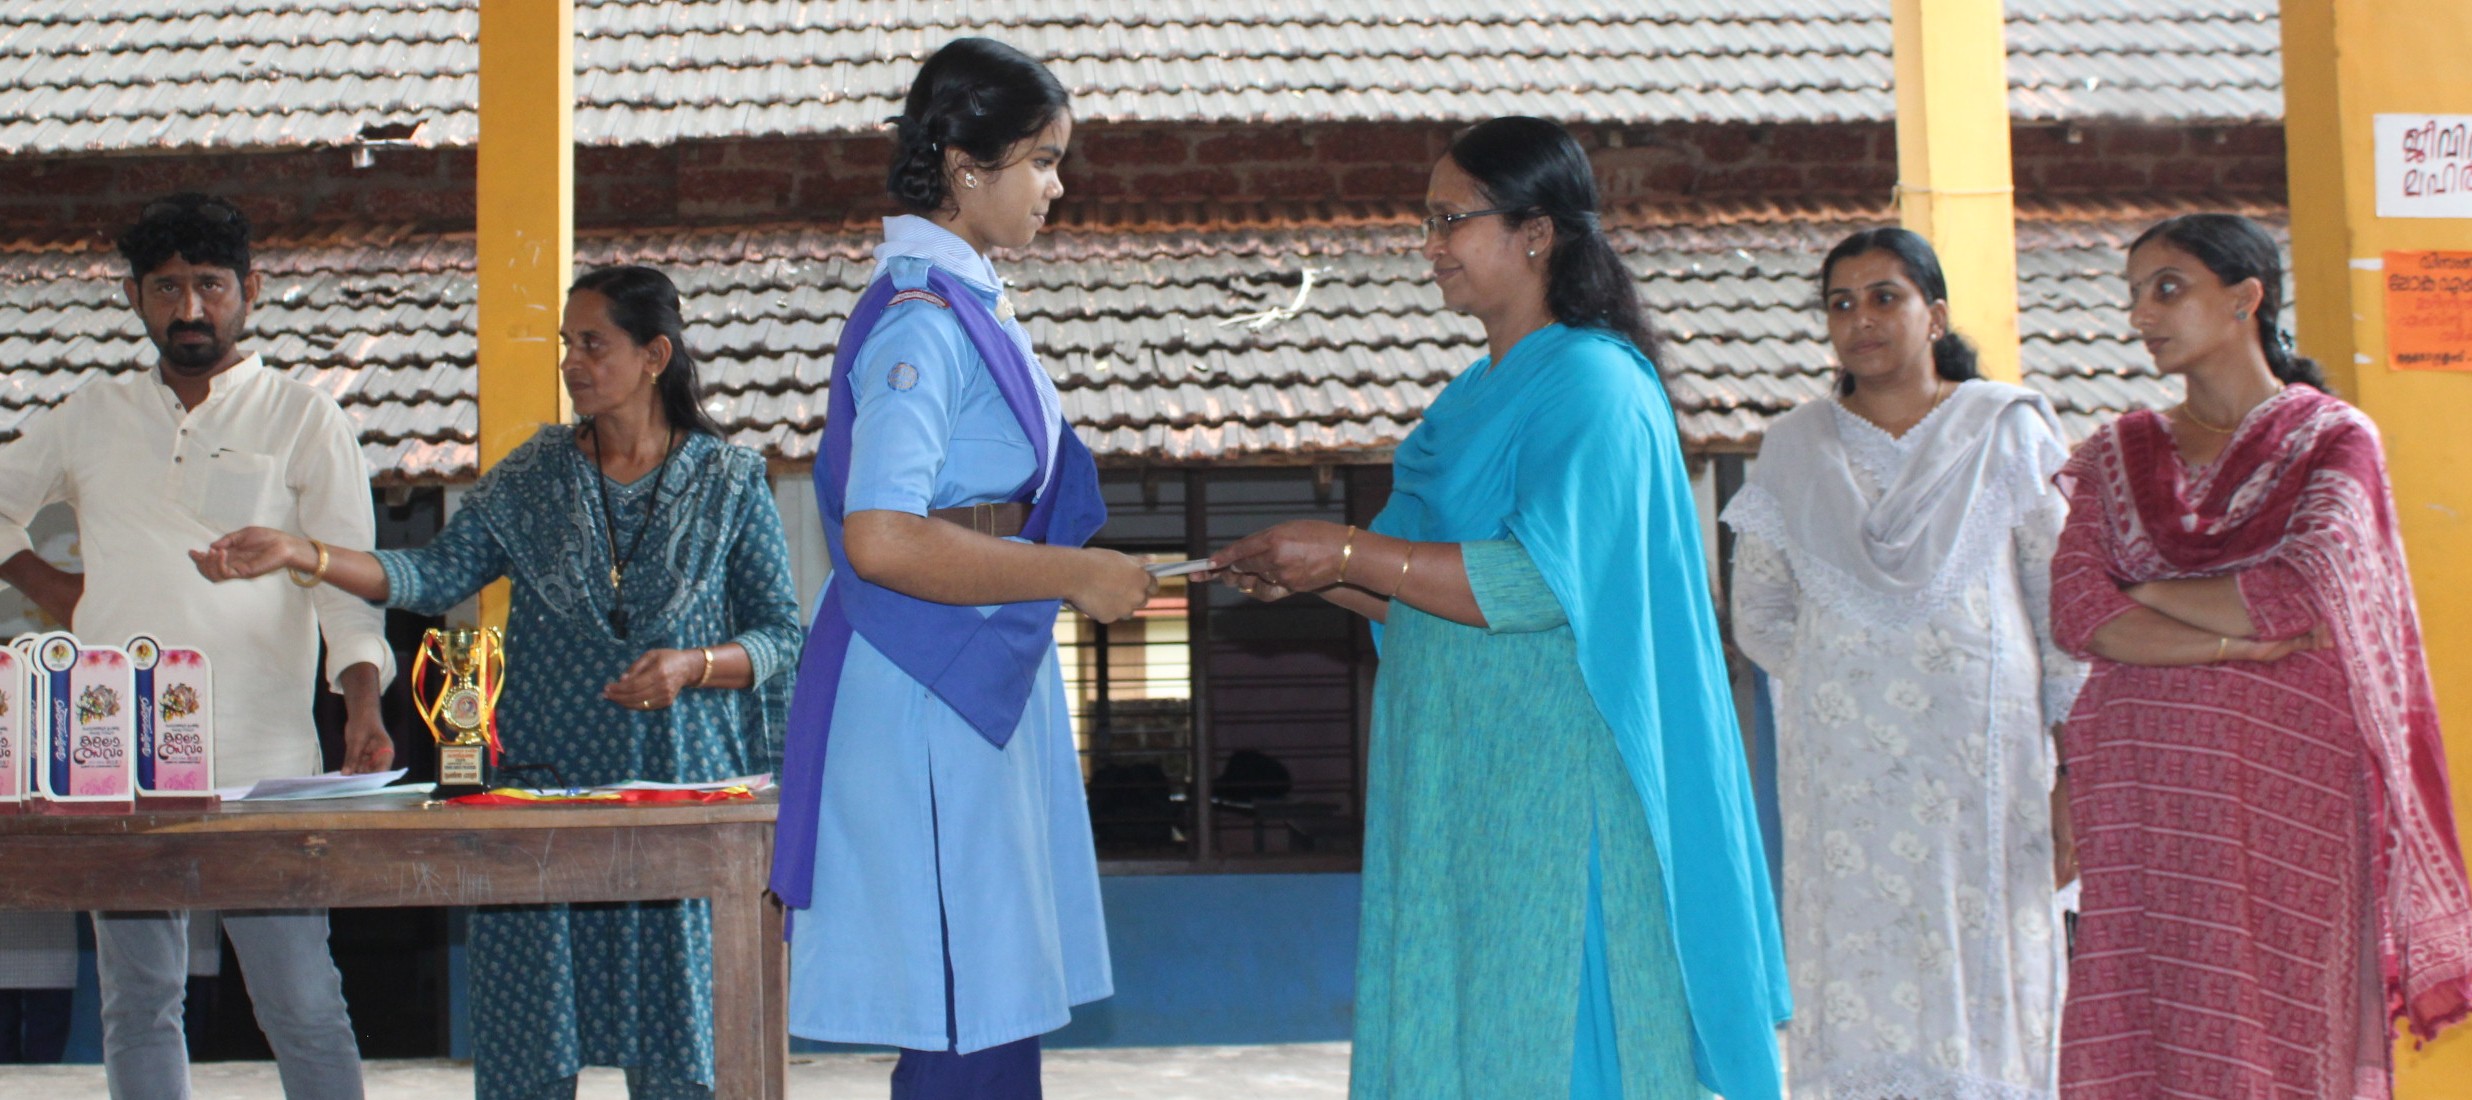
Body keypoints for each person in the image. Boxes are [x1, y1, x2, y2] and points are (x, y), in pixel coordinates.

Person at [1211, 116, 1788, 1099]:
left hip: (1558, 791)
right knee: (1470, 1038)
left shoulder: (1596, 384)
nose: (1430, 246)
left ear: (1535, 232)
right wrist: (1305, 571)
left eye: (1451, 220)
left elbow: (1532, 582)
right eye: (1427, 222)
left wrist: (1344, 550)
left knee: (1558, 1045)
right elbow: (1402, 576)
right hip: (1458, 784)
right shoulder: (1467, 400)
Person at [194, 264, 803, 1098]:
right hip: (543, 809)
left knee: (683, 1060)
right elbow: (432, 575)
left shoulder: (730, 483)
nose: (572, 362)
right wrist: (306, 552)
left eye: (594, 344)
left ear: (655, 355)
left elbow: (779, 635)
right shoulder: (533, 477)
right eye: (566, 344)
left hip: (677, 811)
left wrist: (693, 666)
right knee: (527, 1057)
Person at [767, 38, 1153, 1099]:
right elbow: (882, 536)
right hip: (928, 669)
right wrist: (1070, 573)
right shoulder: (922, 323)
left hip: (976, 651)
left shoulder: (967, 303)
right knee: (965, 995)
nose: (1056, 186)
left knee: (994, 989)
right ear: (964, 165)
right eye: (1042, 160)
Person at [2048, 212, 2472, 1097]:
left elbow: (2300, 592)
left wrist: (2141, 586)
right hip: (2143, 784)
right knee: (2149, 1009)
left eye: (2167, 289)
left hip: (2288, 787)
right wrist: (2233, 642)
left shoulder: (2334, 441)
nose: (2142, 315)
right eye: (2135, 295)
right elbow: (2080, 610)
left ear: (2246, 298)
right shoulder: (2116, 452)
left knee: (2281, 1017)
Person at [0, 192, 390, 1097]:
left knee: (301, 1000)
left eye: (209, 285)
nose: (189, 308)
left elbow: (348, 586)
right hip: (116, 762)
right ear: (134, 297)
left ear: (250, 290)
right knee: (139, 1001)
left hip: (264, 763)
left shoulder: (303, 418)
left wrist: (363, 709)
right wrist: (59, 592)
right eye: (166, 287)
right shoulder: (90, 414)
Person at [1721, 227, 2081, 1098]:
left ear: (1936, 315)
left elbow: (2064, 608)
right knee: (1856, 956)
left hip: (1984, 763)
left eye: (1885, 297)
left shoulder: (2004, 428)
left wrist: (2075, 771)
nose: (1861, 320)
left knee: (1984, 951)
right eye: (1840, 304)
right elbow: (1757, 609)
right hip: (1844, 771)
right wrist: (1844, 670)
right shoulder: (1797, 446)